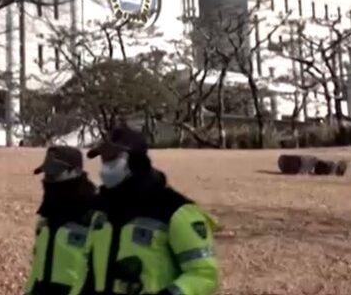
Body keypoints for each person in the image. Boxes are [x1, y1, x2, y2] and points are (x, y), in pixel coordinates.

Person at [86, 126, 219, 295]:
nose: (106, 164)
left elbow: (204, 276)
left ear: (135, 159)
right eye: (103, 158)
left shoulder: (174, 210)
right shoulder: (100, 211)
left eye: (113, 157)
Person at [25, 145, 98, 295]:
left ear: (76, 171)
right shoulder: (48, 214)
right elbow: (38, 266)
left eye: (55, 173)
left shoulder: (96, 214)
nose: (48, 179)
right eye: (47, 174)